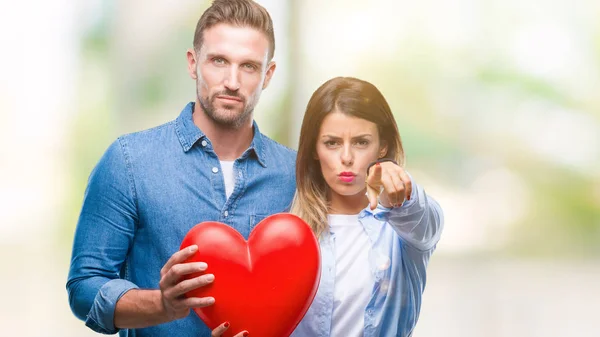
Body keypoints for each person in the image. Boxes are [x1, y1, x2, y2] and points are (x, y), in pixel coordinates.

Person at [66, 1, 295, 336]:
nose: (232, 81)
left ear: (268, 75)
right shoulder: (129, 161)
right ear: (193, 63)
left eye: (248, 66)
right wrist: (161, 304)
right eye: (219, 61)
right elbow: (85, 287)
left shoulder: (295, 174)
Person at [214, 76, 444, 337]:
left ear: (383, 147)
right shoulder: (286, 234)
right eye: (332, 143)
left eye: (361, 142)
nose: (346, 158)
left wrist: (400, 192)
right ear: (314, 149)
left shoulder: (402, 232)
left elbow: (426, 221)